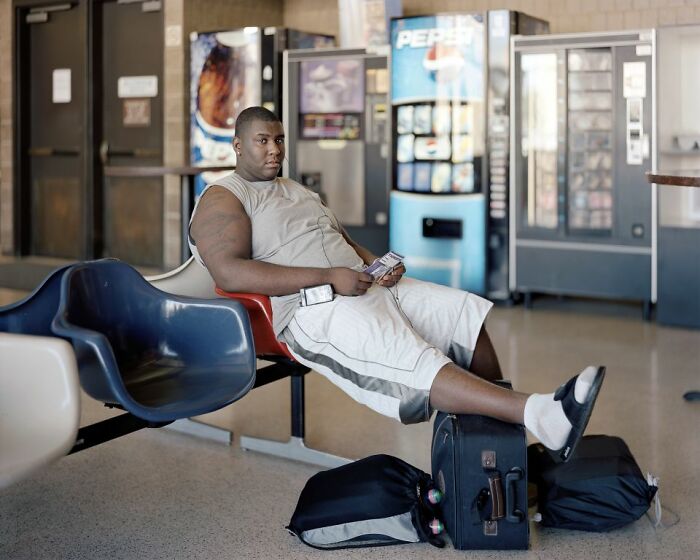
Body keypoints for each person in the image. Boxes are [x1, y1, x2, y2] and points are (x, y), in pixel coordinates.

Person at [189, 106, 605, 462]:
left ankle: (499, 446)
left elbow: (342, 241)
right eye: (262, 141)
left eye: (279, 139)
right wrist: (329, 277)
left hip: (363, 286)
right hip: (310, 309)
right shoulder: (225, 196)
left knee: (461, 313)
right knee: (413, 357)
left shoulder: (294, 189)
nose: (275, 149)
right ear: (238, 146)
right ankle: (539, 414)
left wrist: (376, 265)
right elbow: (229, 273)